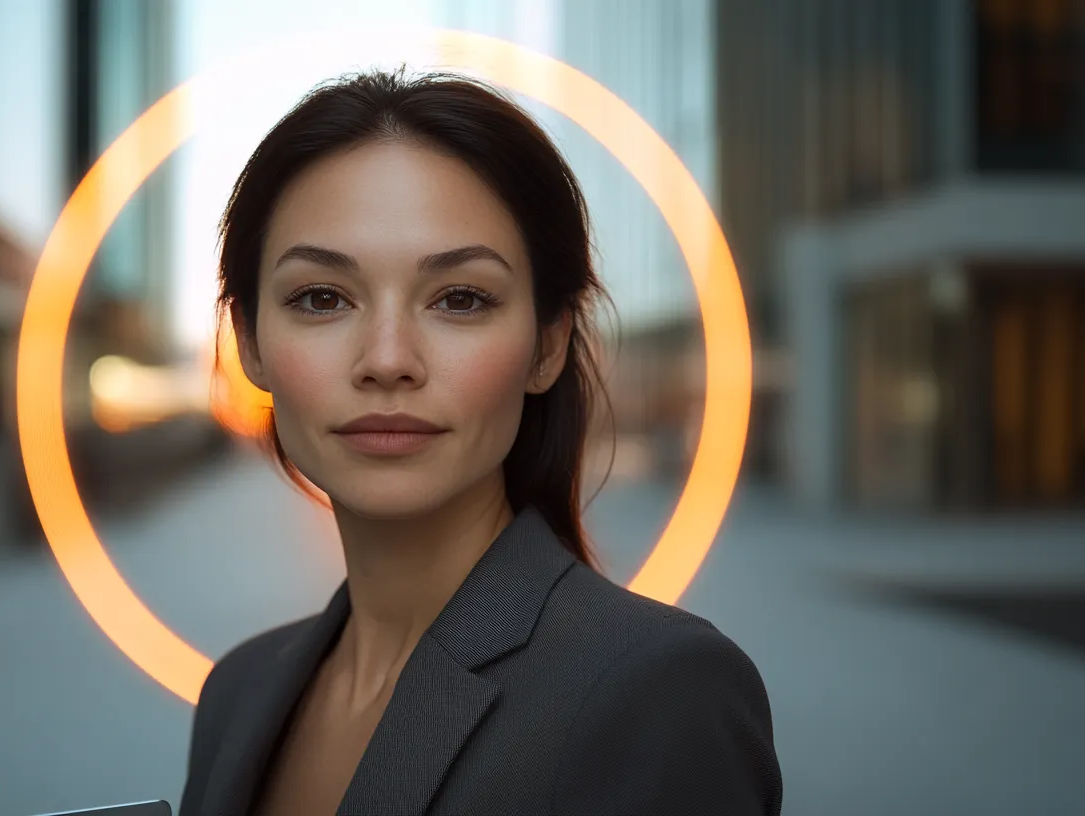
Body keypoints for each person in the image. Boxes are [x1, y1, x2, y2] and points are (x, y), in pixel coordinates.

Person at [178, 69, 782, 816]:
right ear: (250, 343)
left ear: (548, 344)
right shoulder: (237, 693)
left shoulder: (659, 692)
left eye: (460, 299)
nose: (388, 358)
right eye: (322, 298)